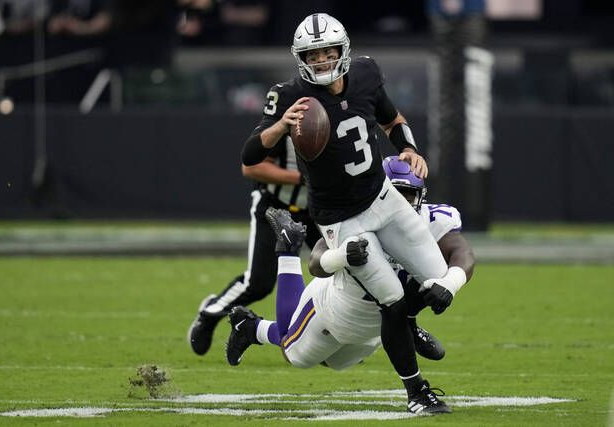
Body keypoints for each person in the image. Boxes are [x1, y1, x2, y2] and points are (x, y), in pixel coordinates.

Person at [241, 13, 458, 413]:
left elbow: (392, 119)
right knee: (389, 300)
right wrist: (280, 127)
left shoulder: (366, 73)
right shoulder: (290, 95)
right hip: (341, 220)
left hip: (383, 198)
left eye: (327, 52)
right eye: (313, 55)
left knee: (438, 280)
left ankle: (406, 323)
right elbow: (250, 154)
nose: (322, 61)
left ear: (343, 51)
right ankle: (417, 393)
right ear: (301, 58)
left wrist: (408, 148)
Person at [226, 157, 475, 415]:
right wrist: (343, 255)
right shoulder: (355, 215)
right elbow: (316, 264)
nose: (399, 204)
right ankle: (286, 252)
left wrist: (450, 283)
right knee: (294, 353)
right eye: (394, 194)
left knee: (336, 362)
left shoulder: (433, 221)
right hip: (332, 309)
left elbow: (462, 253)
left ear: (421, 196)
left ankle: (408, 323)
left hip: (376, 329)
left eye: (407, 196)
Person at [188, 140, 322, 356]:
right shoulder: (284, 122)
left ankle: (333, 339)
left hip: (319, 208)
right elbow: (251, 167)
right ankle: (210, 313)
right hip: (275, 206)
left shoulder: (344, 116)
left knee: (337, 271)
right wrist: (301, 178)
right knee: (259, 283)